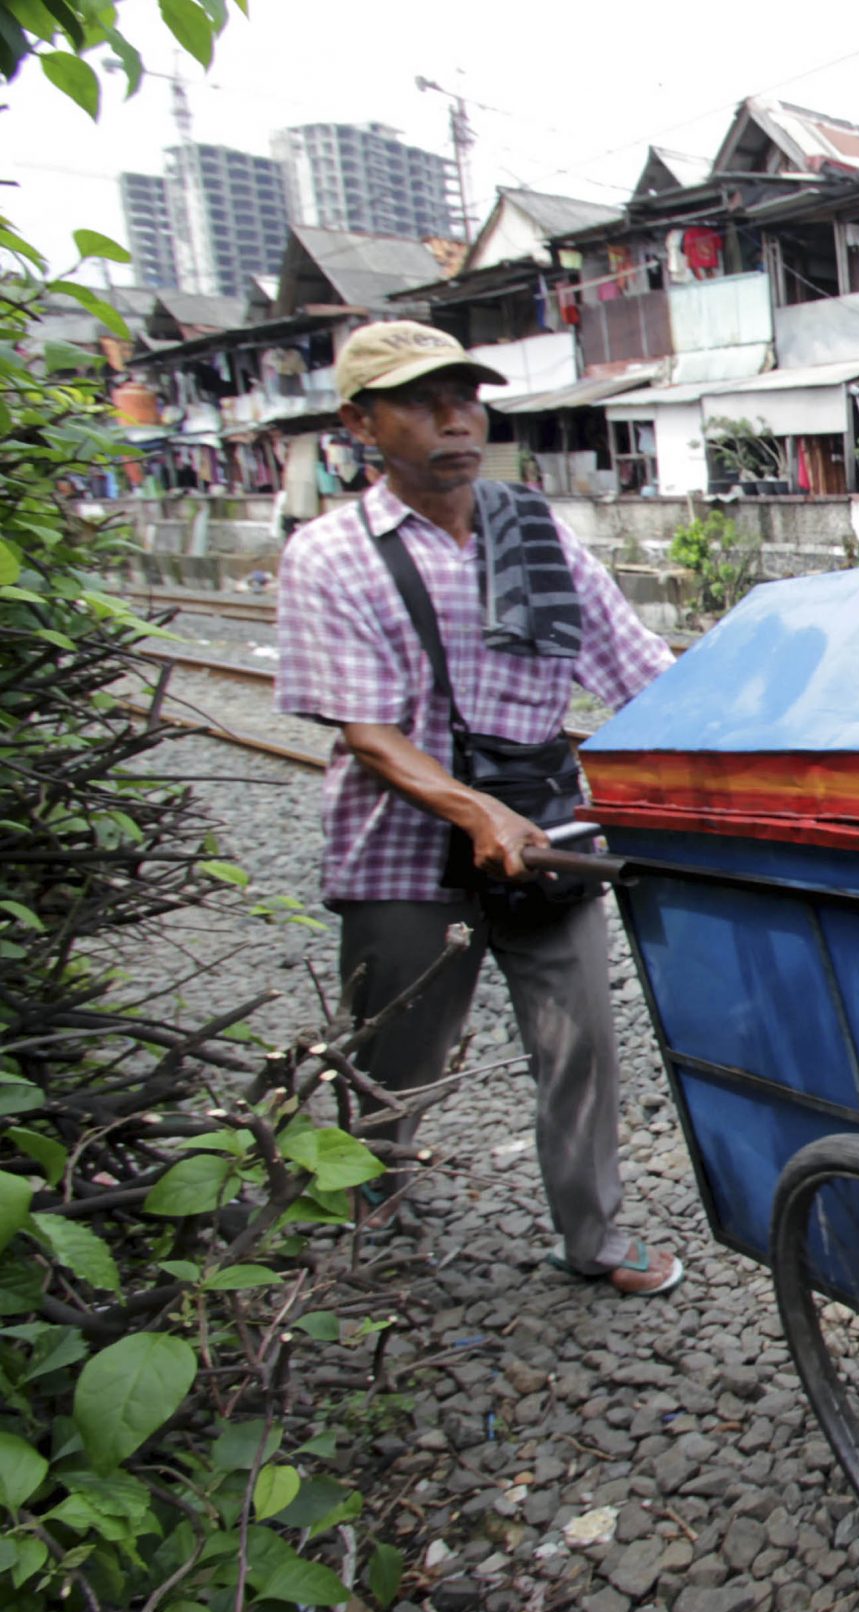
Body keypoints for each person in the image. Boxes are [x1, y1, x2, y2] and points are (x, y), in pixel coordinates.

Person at [273, 321, 684, 1297]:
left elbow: (642, 671)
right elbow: (370, 735)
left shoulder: (534, 533)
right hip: (405, 854)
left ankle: (592, 1235)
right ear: (360, 424)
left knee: (581, 1042)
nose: (455, 419)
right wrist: (476, 814)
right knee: (397, 1056)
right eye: (422, 402)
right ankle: (367, 1218)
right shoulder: (330, 556)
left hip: (545, 837)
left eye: (464, 397)